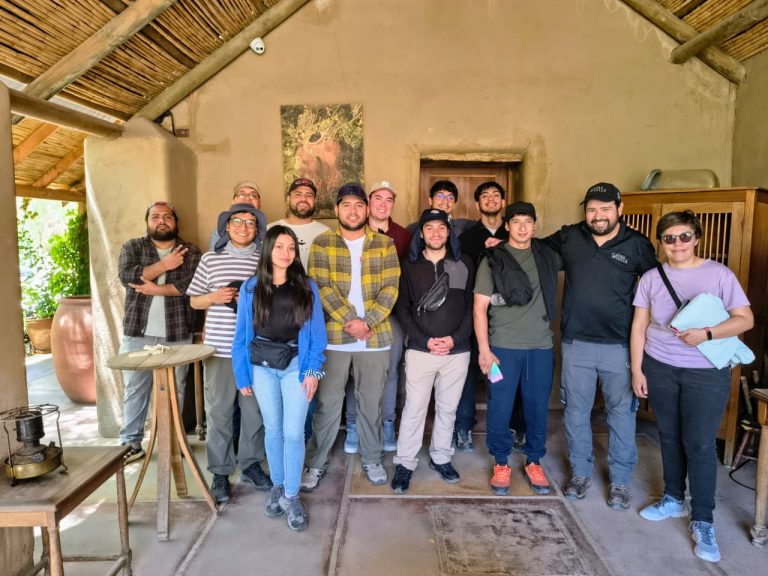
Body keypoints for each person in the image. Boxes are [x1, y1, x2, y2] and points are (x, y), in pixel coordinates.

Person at [631, 210, 753, 563]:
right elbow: (639, 326)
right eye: (669, 238)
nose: (678, 244)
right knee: (668, 435)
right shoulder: (652, 278)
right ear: (661, 243)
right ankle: (672, 498)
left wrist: (708, 333)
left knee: (699, 443)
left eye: (684, 237)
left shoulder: (718, 274)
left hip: (705, 370)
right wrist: (638, 370)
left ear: (696, 238)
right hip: (660, 366)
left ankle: (702, 518)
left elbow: (745, 318)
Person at [544, 182, 656, 509]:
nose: (598, 215)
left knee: (621, 414)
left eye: (606, 208)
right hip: (576, 342)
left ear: (620, 210)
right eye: (592, 209)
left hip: (620, 345)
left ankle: (620, 481)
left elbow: (657, 287)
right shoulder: (570, 237)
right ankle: (580, 472)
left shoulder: (636, 244)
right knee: (576, 412)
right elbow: (532, 250)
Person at [301, 183, 400, 490]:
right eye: (347, 205)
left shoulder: (384, 244)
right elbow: (320, 286)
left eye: (359, 205)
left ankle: (371, 459)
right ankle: (315, 463)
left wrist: (367, 322)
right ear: (337, 210)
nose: (353, 211)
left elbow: (391, 288)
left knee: (372, 403)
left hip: (376, 337)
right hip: (334, 337)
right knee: (328, 404)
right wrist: (351, 320)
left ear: (367, 209)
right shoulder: (322, 243)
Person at [232, 226, 327, 532]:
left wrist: (313, 371)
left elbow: (317, 336)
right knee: (272, 429)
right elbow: (242, 335)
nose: (286, 254)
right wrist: (242, 373)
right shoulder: (250, 288)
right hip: (262, 367)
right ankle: (277, 485)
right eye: (279, 247)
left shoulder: (306, 286)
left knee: (293, 432)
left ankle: (292, 494)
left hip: (296, 365)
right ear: (268, 250)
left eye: (291, 248)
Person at [474, 202, 561, 496]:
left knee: (537, 406)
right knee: (500, 404)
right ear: (506, 225)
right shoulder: (493, 259)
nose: (522, 227)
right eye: (516, 221)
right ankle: (501, 462)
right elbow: (479, 307)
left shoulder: (546, 256)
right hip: (503, 349)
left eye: (528, 221)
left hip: (540, 347)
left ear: (534, 226)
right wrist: (484, 350)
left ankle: (534, 460)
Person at [187, 204, 271, 503]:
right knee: (219, 412)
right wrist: (214, 297)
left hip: (256, 349)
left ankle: (250, 464)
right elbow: (195, 301)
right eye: (238, 222)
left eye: (251, 223)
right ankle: (220, 472)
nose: (244, 227)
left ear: (257, 230)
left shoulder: (265, 260)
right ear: (226, 227)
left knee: (254, 411)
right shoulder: (211, 260)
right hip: (220, 349)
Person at [390, 209, 473, 493]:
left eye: (441, 228)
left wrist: (454, 339)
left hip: (457, 351)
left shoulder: (464, 263)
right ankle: (405, 462)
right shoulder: (409, 266)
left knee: (448, 409)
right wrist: (425, 340)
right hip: (420, 350)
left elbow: (472, 308)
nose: (436, 233)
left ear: (448, 232)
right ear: (421, 233)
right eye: (430, 228)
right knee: (414, 409)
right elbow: (402, 309)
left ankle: (441, 457)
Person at [117, 201, 201, 462]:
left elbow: (191, 285)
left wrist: (154, 287)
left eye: (167, 217)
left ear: (176, 222)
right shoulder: (133, 247)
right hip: (138, 332)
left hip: (177, 331)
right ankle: (131, 442)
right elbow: (128, 276)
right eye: (155, 217)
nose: (162, 221)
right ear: (148, 222)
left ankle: (173, 439)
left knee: (176, 388)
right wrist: (165, 267)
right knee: (135, 387)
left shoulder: (190, 251)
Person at [343, 180, 412, 454]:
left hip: (388, 314)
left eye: (389, 200)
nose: (383, 204)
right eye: (378, 198)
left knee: (389, 372)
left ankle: (386, 422)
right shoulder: (351, 230)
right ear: (368, 202)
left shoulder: (404, 236)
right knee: (353, 373)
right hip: (352, 315)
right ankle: (353, 424)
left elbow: (404, 279)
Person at [455, 180, 509, 452]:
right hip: (472, 315)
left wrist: (503, 247)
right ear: (477, 204)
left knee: (499, 372)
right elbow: (457, 279)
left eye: (495, 195)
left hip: (506, 320)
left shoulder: (514, 235)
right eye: (484, 195)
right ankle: (463, 426)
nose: (490, 199)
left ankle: (507, 424)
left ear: (502, 203)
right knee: (467, 371)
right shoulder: (466, 239)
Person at [268, 178, 329, 268]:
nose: (304, 199)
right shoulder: (270, 229)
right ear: (288, 199)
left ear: (315, 201)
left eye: (309, 195)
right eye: (298, 194)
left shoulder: (326, 232)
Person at [406, 180, 474, 256]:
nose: (445, 201)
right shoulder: (412, 229)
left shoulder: (463, 227)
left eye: (450, 198)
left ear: (454, 204)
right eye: (439, 196)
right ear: (430, 200)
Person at [209, 180, 263, 251]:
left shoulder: (271, 233)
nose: (247, 198)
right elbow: (213, 259)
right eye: (241, 195)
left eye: (253, 195)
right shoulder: (218, 234)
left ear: (259, 203)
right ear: (233, 201)